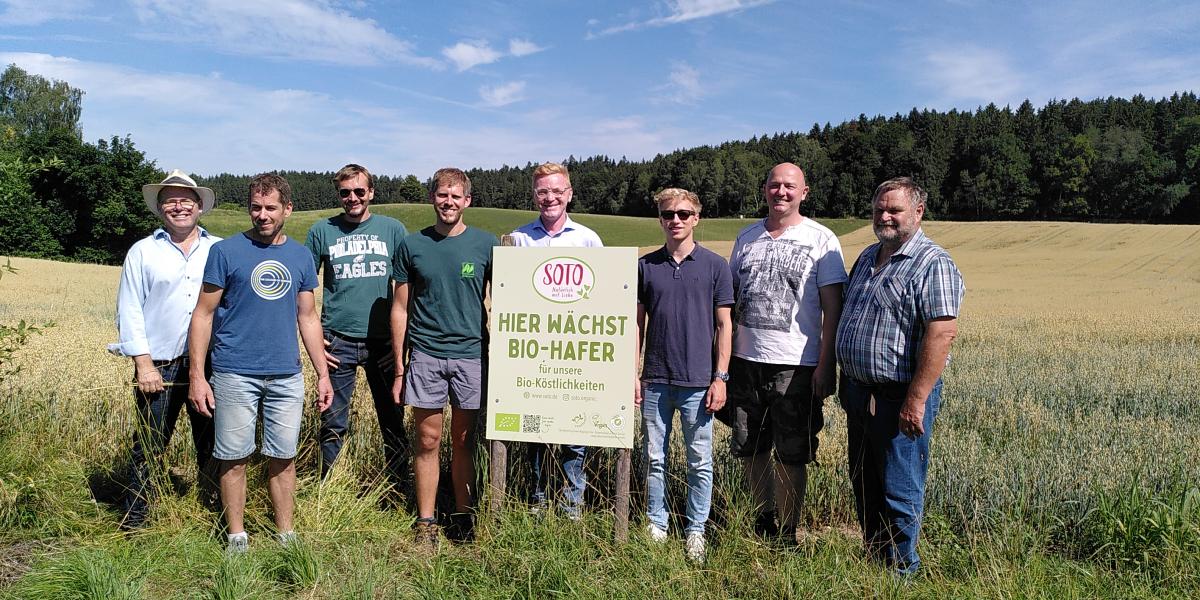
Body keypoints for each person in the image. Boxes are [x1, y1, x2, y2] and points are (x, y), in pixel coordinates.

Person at [188, 173, 333, 553]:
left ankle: (286, 536)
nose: (262, 215)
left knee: (283, 457)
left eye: (271, 208)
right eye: (256, 207)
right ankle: (236, 537)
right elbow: (203, 315)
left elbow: (308, 317)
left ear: (288, 209)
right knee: (233, 458)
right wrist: (197, 377)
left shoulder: (300, 256)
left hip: (286, 374)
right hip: (234, 372)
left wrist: (322, 374)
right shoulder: (226, 252)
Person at [836, 177, 964, 575]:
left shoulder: (932, 262)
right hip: (859, 392)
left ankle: (902, 571)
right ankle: (875, 560)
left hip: (900, 397)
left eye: (894, 210)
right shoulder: (868, 256)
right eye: (879, 210)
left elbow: (941, 332)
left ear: (918, 212)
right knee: (864, 482)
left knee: (899, 487)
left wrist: (917, 399)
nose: (885, 216)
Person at [723, 162, 846, 543]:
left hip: (797, 367)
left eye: (789, 186)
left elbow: (833, 310)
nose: (781, 192)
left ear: (804, 192)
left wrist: (826, 366)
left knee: (792, 455)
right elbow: (729, 303)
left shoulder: (822, 239)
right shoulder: (746, 238)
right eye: (774, 185)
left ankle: (788, 532)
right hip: (745, 362)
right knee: (751, 448)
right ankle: (763, 521)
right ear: (765, 189)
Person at [391, 168, 498, 549]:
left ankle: (464, 516)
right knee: (427, 439)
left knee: (465, 440)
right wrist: (400, 365)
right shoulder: (411, 245)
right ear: (432, 198)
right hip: (426, 354)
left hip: (472, 355)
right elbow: (400, 308)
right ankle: (426, 521)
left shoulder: (487, 246)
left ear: (467, 201)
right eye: (442, 195)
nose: (448, 202)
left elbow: (505, 301)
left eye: (456, 196)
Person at [109, 169, 220, 529]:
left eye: (186, 199)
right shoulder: (143, 251)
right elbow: (129, 309)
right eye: (170, 200)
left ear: (199, 206)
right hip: (160, 365)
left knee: (213, 442)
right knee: (149, 444)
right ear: (159, 209)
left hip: (210, 364)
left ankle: (213, 510)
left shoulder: (219, 249)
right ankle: (135, 518)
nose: (178, 206)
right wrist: (143, 364)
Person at [635, 188, 733, 563]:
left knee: (699, 460)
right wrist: (634, 374)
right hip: (655, 380)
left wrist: (720, 376)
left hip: (698, 383)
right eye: (668, 214)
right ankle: (656, 524)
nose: (675, 219)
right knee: (654, 458)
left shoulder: (714, 266)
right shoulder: (645, 266)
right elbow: (636, 326)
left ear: (696, 218)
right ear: (660, 219)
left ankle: (696, 530)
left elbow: (725, 326)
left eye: (683, 213)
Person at [305, 164, 409, 487]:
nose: (352, 198)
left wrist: (403, 344)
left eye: (359, 192)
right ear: (339, 194)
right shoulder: (322, 231)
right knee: (333, 421)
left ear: (371, 193)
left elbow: (408, 288)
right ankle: (332, 488)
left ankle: (398, 485)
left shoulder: (393, 230)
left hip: (383, 343)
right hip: (337, 340)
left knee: (391, 418)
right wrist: (313, 333)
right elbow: (304, 286)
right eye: (345, 192)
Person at [508, 161, 602, 519]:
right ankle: (537, 500)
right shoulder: (518, 239)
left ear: (569, 194)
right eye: (543, 191)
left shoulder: (588, 239)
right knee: (535, 431)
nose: (550, 198)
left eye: (557, 191)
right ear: (534, 196)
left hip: (574, 352)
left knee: (574, 432)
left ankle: (572, 504)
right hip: (533, 353)